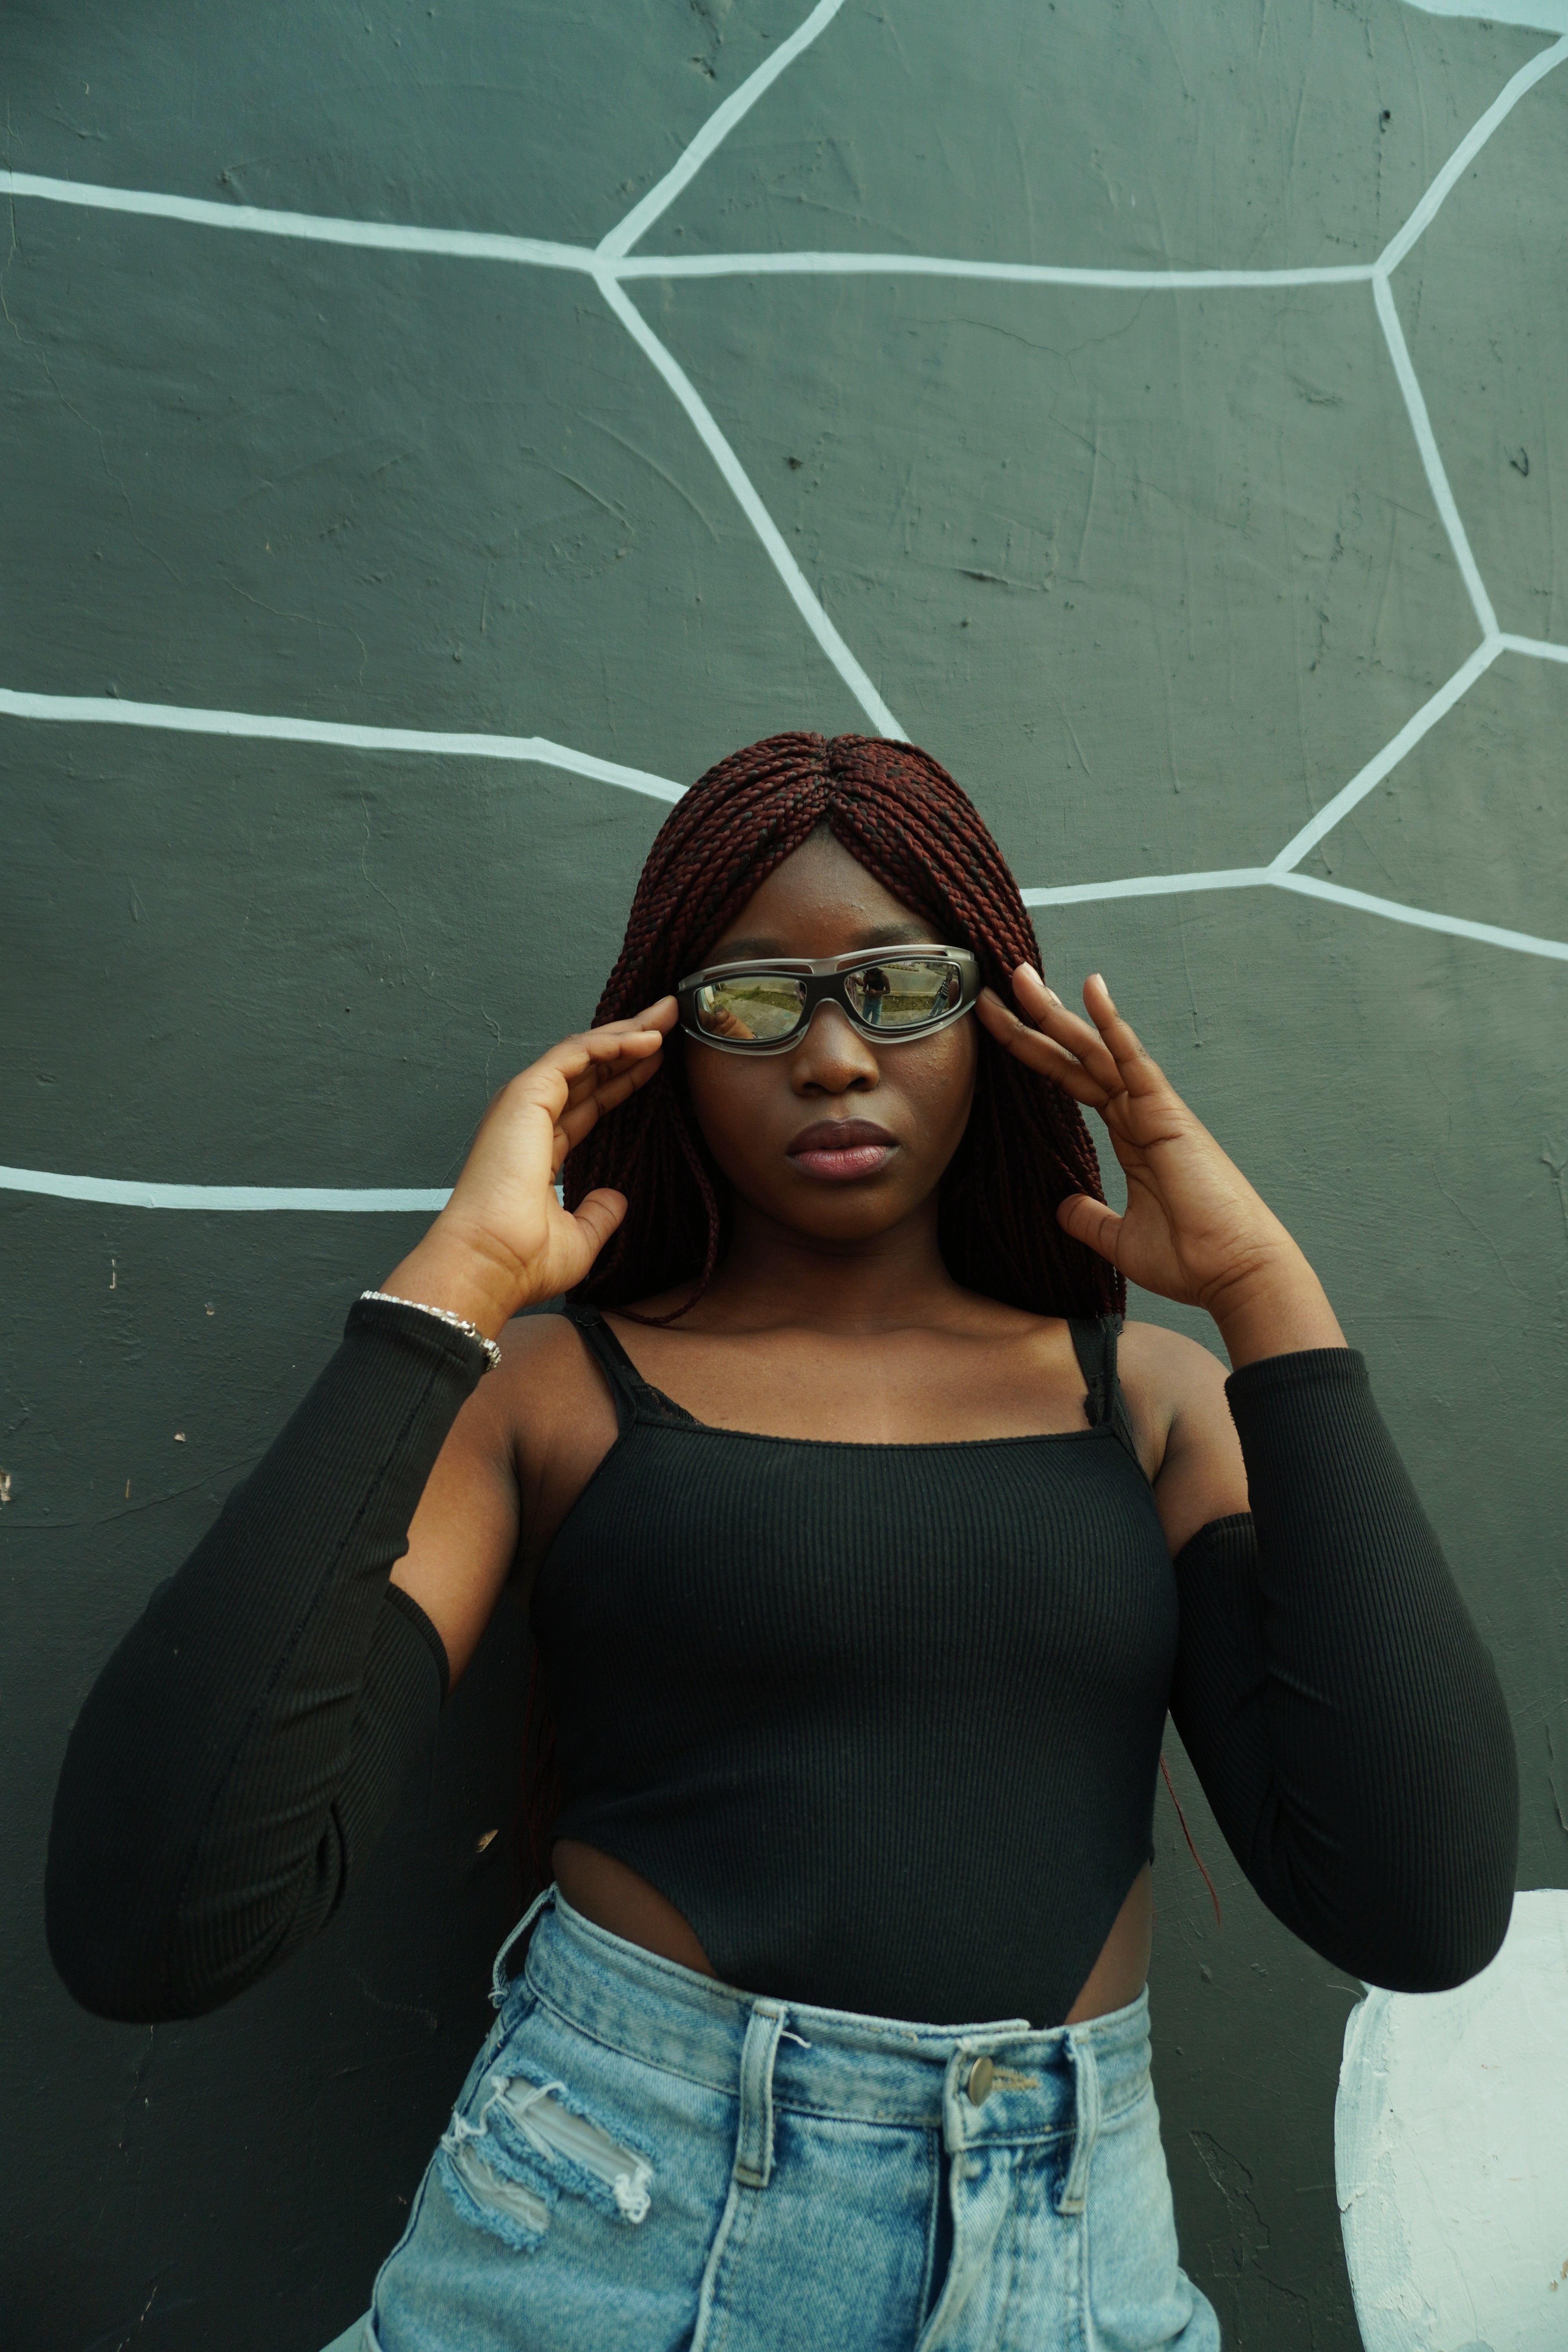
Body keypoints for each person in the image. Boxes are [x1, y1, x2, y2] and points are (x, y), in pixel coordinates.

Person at [47, 734, 1517, 2352]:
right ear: (666, 1042)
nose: (831, 1056)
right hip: (610, 2245)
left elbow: (1421, 1910)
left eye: (902, 987)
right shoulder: (554, 1395)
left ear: (997, 1017)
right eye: (753, 999)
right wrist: (454, 1284)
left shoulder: (1153, 1405)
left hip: (1071, 2273)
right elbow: (159, 1920)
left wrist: (1263, 1293)